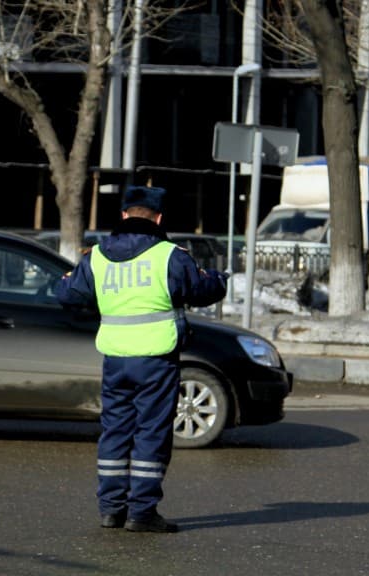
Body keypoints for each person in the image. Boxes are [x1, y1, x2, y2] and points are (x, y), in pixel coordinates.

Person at [55, 185, 227, 533]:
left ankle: (111, 510)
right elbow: (203, 289)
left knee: (115, 432)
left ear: (123, 215)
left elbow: (66, 293)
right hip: (156, 360)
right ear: (159, 218)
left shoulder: (98, 256)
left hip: (116, 360)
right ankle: (142, 512)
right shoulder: (169, 256)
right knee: (151, 433)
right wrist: (218, 278)